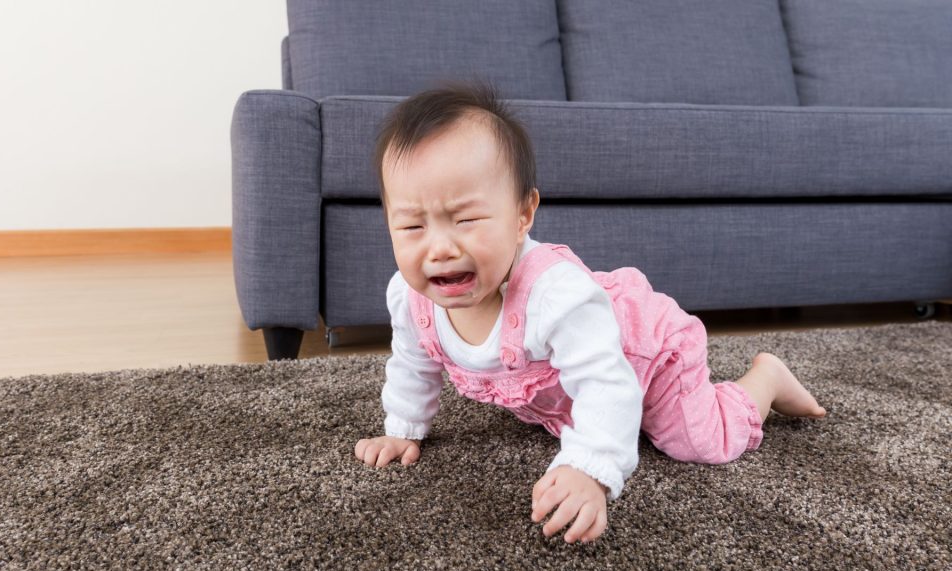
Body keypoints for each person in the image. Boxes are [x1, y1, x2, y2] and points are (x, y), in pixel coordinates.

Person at [353, 82, 827, 544]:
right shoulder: (410, 297)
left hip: (643, 354)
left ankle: (766, 379)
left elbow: (606, 382)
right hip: (569, 389)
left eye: (467, 220)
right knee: (596, 416)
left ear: (523, 215)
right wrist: (402, 429)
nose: (439, 248)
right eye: (412, 225)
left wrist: (589, 468)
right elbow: (413, 364)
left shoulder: (557, 294)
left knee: (698, 442)